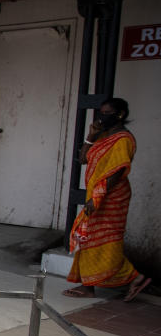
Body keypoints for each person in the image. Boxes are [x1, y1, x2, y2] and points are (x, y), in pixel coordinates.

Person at [63, 98, 150, 301]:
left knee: (103, 240)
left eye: (107, 113)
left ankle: (126, 279)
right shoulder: (103, 135)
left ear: (119, 115)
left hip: (111, 198)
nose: (102, 117)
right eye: (100, 112)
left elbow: (117, 172)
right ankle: (99, 283)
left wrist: (98, 197)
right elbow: (83, 159)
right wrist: (90, 137)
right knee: (91, 239)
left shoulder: (124, 139)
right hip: (95, 195)